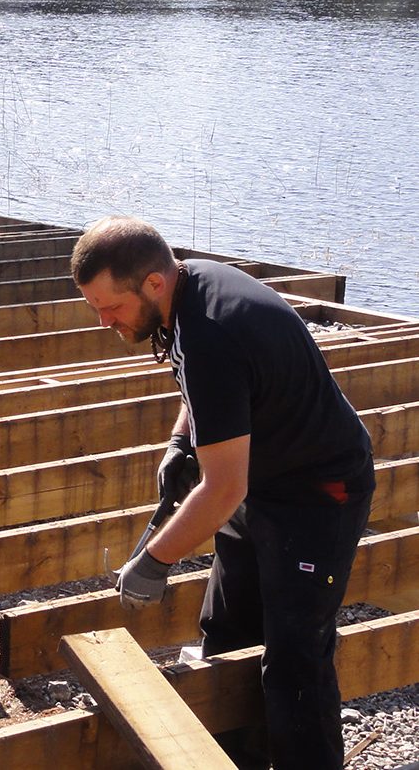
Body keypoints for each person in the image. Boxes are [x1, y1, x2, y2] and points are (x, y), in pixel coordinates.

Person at [70, 216, 375, 770]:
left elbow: (224, 487)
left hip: (317, 494)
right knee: (228, 633)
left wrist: (155, 560)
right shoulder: (191, 289)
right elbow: (210, 392)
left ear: (153, 284)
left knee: (295, 665)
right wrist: (183, 441)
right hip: (266, 480)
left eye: (110, 306)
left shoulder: (210, 329)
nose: (104, 320)